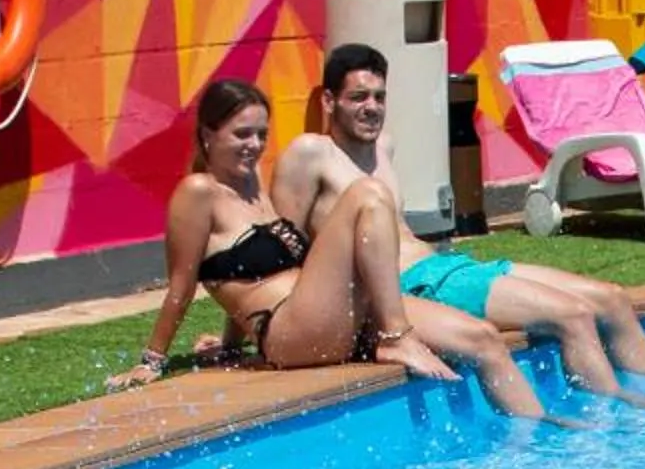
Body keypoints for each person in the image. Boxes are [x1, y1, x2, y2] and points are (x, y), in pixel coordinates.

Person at [106, 78, 548, 418]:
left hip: (335, 317)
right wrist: (152, 362)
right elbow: (183, 284)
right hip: (292, 333)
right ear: (207, 135)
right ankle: (396, 337)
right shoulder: (198, 192)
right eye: (241, 134)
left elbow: (240, 274)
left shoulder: (252, 188)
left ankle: (539, 450)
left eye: (261, 134)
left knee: (484, 339)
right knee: (367, 195)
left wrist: (229, 343)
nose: (255, 146)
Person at [273, 44, 645, 405]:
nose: (372, 107)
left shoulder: (383, 145)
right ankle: (618, 421)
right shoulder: (310, 154)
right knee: (573, 316)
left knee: (612, 298)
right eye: (357, 97)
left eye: (379, 96)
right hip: (415, 285)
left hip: (448, 266)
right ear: (329, 102)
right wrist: (257, 327)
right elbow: (276, 251)